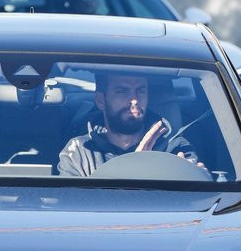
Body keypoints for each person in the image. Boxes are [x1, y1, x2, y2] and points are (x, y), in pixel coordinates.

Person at [57, 73, 204, 177]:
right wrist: (136, 169)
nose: (134, 100)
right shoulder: (79, 152)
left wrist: (198, 178)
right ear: (101, 101)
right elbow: (75, 210)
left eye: (140, 91)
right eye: (122, 91)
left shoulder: (174, 148)